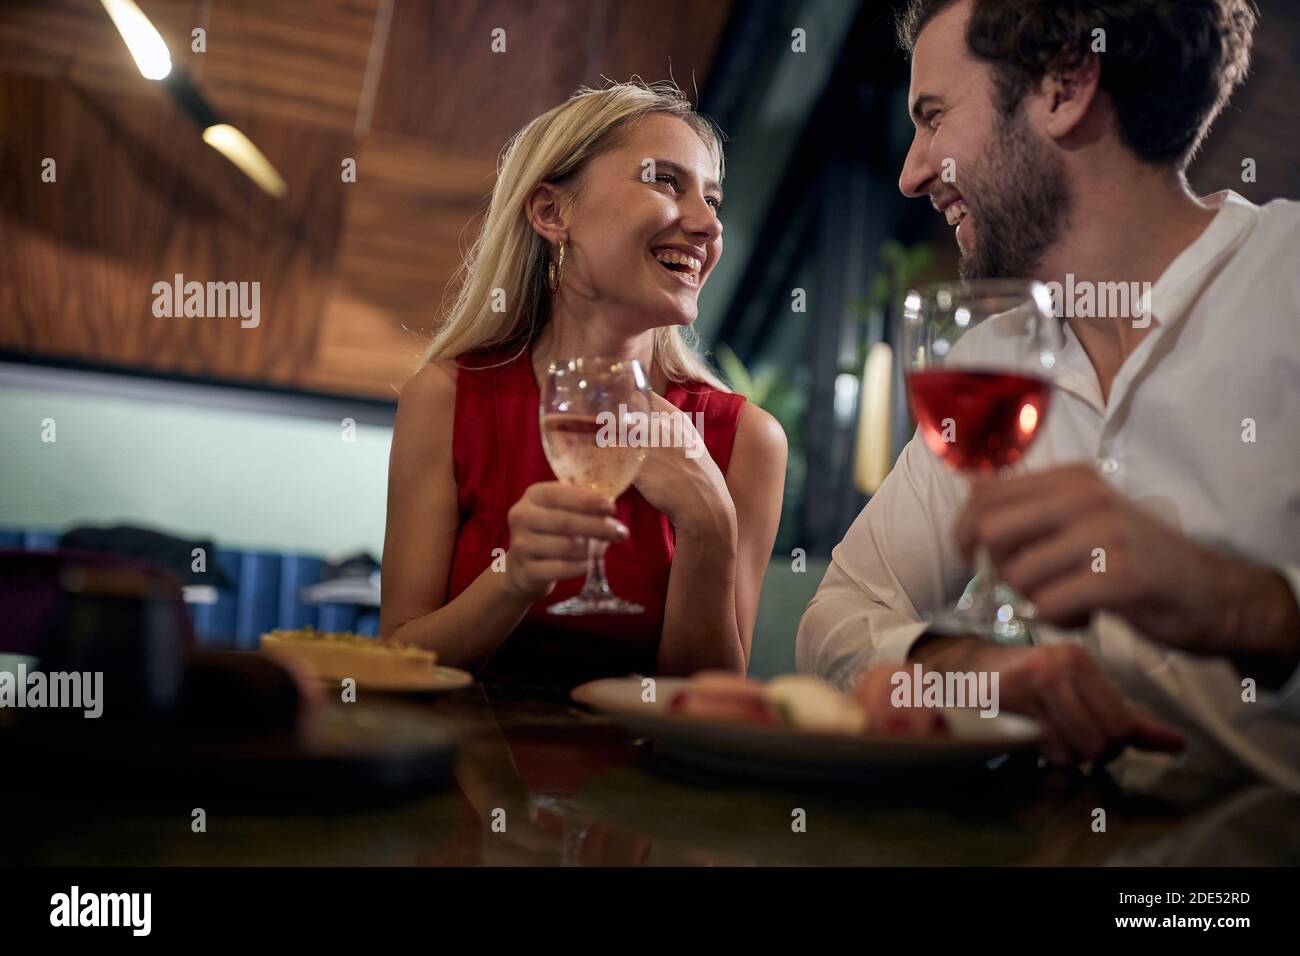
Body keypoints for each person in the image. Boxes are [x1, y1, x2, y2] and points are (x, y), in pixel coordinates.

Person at [798, 0, 1300, 790]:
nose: (911, 171)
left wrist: (1251, 608)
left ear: (1065, 87)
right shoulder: (986, 363)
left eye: (933, 118)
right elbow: (838, 617)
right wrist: (966, 667)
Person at [381, 80, 787, 685]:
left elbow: (709, 702)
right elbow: (396, 663)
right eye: (665, 182)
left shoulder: (747, 439)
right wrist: (513, 578)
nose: (707, 226)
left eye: (714, 200)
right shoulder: (444, 400)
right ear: (552, 212)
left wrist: (709, 524)